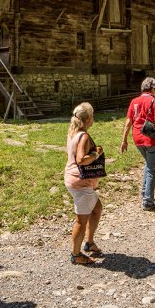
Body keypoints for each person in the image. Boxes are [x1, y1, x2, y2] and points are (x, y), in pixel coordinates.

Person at [120, 77, 155, 210]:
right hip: (151, 139)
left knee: (149, 166)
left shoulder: (134, 101)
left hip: (137, 138)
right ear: (153, 88)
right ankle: (148, 202)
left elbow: (128, 123)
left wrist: (124, 140)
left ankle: (145, 194)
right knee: (152, 170)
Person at [65, 102, 104, 266]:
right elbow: (81, 160)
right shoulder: (84, 136)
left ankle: (89, 242)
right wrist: (96, 153)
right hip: (81, 182)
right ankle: (76, 254)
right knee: (81, 221)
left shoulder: (72, 133)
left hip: (72, 178)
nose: (93, 118)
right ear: (88, 119)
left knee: (97, 208)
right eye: (92, 115)